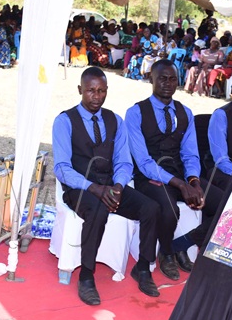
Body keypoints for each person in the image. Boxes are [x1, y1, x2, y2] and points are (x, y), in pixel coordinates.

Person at [52, 67, 161, 305]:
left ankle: (143, 268)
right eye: (91, 91)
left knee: (151, 208)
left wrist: (120, 185)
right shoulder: (64, 121)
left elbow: (123, 161)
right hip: (79, 188)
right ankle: (87, 276)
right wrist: (92, 187)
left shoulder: (115, 120)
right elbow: (61, 168)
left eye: (101, 91)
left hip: (111, 185)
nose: (96, 96)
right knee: (98, 211)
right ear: (80, 90)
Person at [126, 59, 224, 278]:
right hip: (149, 176)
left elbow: (190, 154)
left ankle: (183, 243)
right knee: (169, 209)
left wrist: (193, 181)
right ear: (151, 78)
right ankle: (167, 253)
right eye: (162, 78)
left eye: (172, 79)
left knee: (227, 207)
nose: (168, 83)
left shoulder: (185, 112)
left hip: (180, 173)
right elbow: (142, 161)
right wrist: (180, 184)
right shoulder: (136, 113)